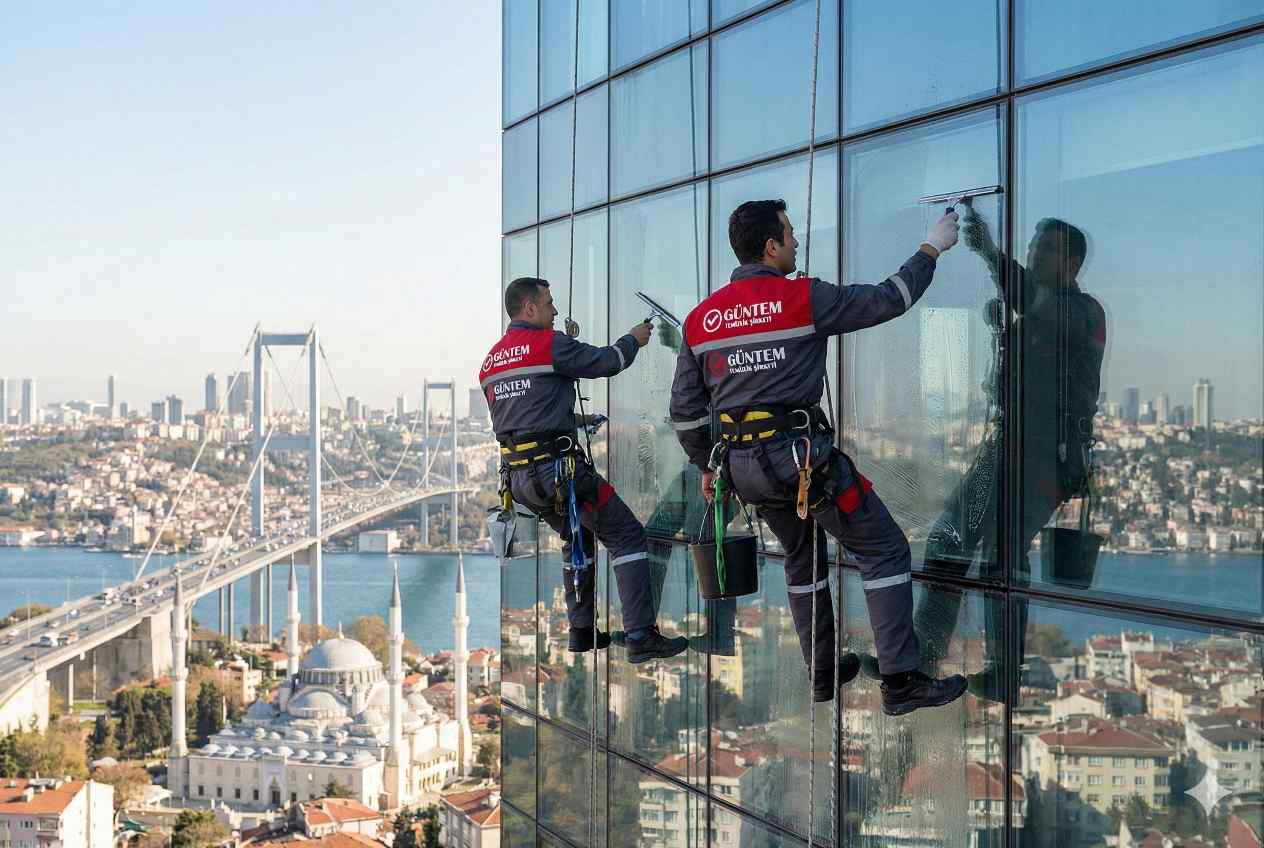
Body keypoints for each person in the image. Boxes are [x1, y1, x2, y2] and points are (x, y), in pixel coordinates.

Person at [669, 199, 968, 716]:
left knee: (802, 561)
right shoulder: (803, 298)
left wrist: (705, 466)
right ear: (771, 246)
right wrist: (933, 247)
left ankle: (822, 670)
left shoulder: (701, 320)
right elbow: (888, 298)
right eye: (790, 233)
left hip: (744, 471)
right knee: (884, 549)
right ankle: (900, 681)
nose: (797, 241)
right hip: (801, 460)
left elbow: (685, 413)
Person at [914, 205, 1106, 702]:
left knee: (993, 552)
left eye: (1043, 249)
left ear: (1071, 264)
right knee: (956, 542)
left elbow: (1037, 305)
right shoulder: (1043, 313)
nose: (1032, 254)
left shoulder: (1083, 314)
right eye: (1032, 247)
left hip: (1042, 453)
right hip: (1013, 448)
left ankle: (981, 668)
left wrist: (988, 254)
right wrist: (1003, 331)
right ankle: (933, 662)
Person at [481, 277, 688, 664]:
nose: (554, 311)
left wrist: (576, 419)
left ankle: (581, 630)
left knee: (577, 536)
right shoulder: (550, 345)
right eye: (549, 304)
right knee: (626, 535)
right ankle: (642, 635)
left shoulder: (491, 362)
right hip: (560, 474)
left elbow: (527, 418)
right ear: (529, 309)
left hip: (522, 480)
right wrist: (634, 340)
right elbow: (609, 361)